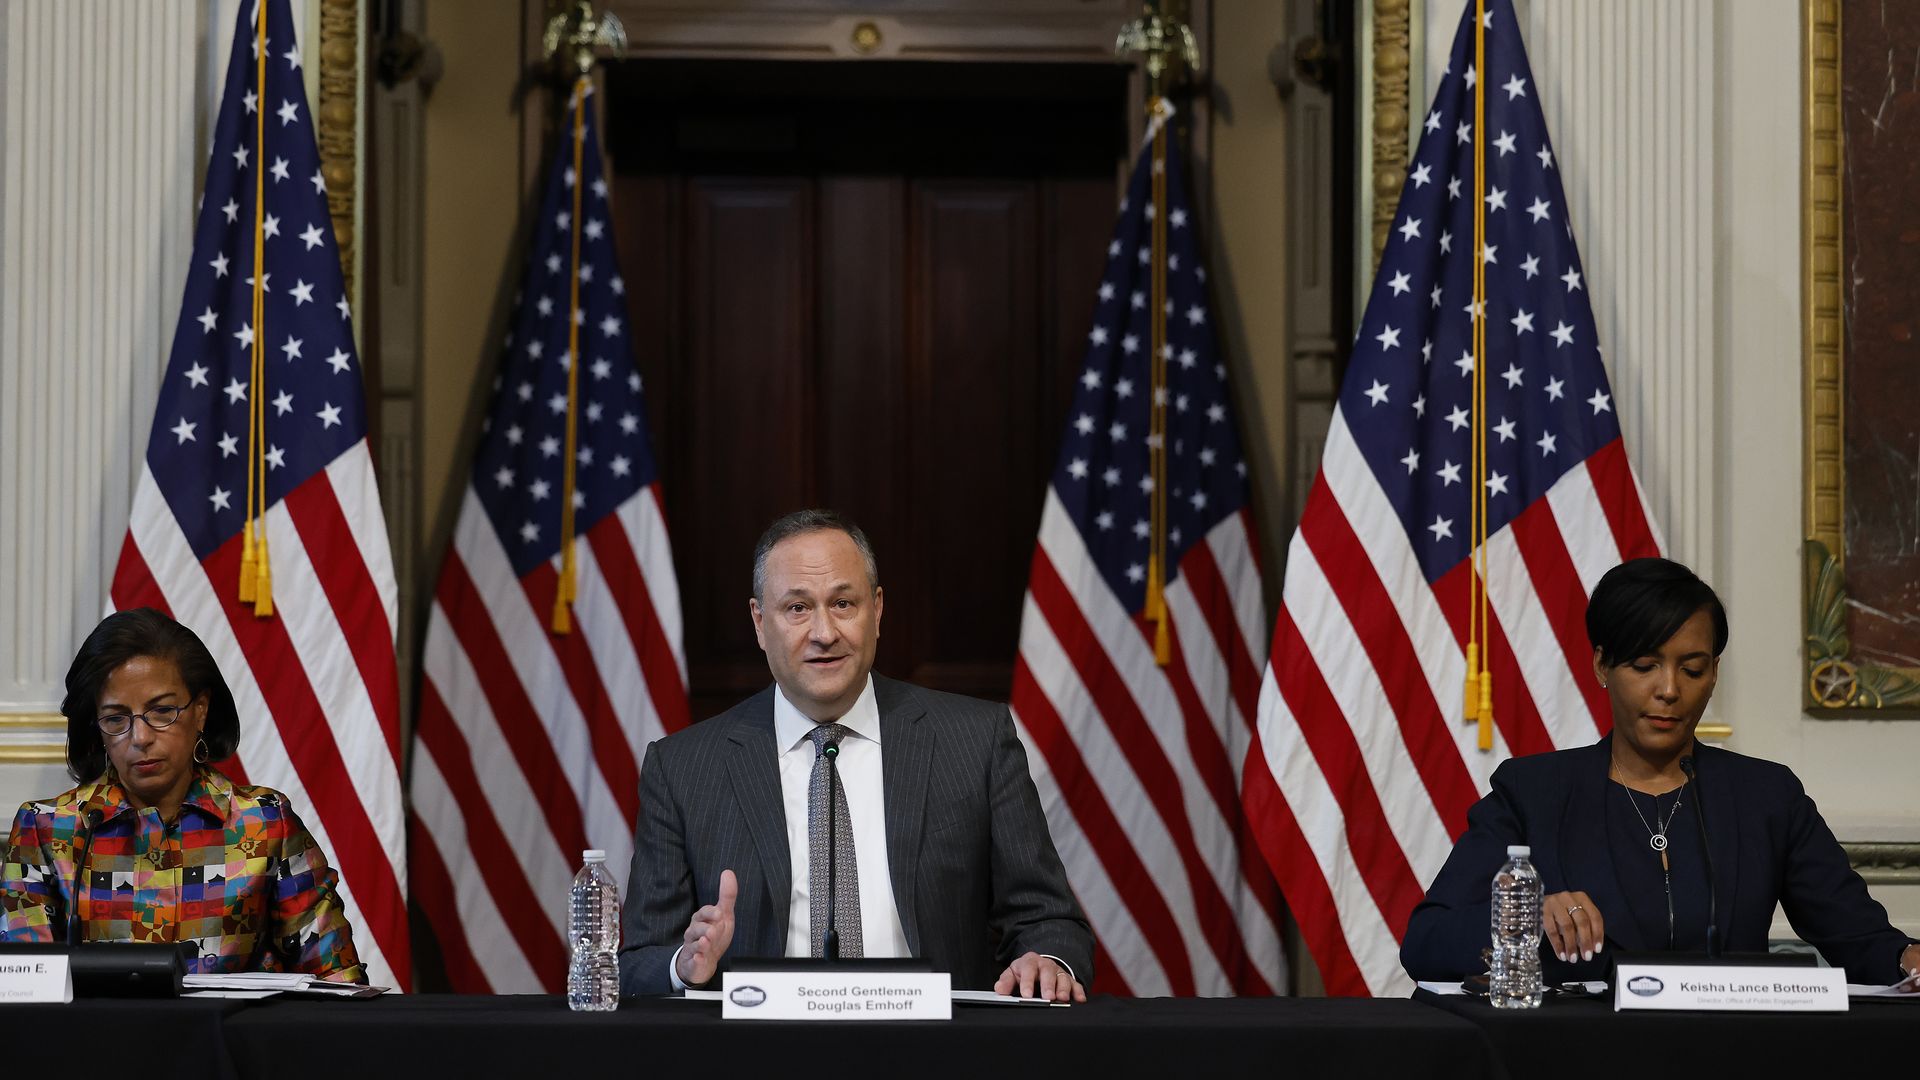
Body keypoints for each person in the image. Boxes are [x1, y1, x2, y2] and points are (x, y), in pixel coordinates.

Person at [620, 509, 1093, 999]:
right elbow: (637, 964)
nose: (824, 632)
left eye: (843, 603)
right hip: (760, 1058)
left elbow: (1048, 919)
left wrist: (1047, 961)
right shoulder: (683, 769)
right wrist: (683, 964)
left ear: (878, 610)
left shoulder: (975, 741)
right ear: (760, 623)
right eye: (798, 608)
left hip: (937, 1056)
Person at [1402, 557, 1920, 986]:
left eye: (1692, 669)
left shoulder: (1766, 796)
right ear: (1602, 666)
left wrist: (1907, 960)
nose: (1669, 689)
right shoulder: (1533, 793)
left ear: (1714, 673)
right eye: (1645, 666)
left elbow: (1862, 939)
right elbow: (1427, 941)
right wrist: (1527, 921)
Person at [0, 608, 365, 982]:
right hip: (97, 1041)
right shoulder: (48, 830)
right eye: (115, 719)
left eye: (162, 711)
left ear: (201, 711)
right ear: (97, 728)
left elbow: (336, 981)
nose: (140, 738)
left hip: (227, 1039)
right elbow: (23, 989)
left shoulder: (264, 823)